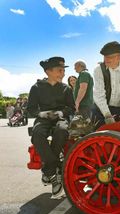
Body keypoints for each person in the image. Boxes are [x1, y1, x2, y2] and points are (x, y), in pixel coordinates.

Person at [27, 56, 75, 198]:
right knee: (37, 133)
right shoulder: (36, 88)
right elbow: (31, 109)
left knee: (62, 131)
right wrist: (42, 113)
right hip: (44, 118)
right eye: (60, 70)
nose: (63, 73)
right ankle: (55, 167)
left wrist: (61, 112)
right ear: (48, 71)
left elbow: (71, 108)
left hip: (61, 117)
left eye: (63, 70)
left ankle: (48, 171)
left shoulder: (66, 88)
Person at [93, 41, 120, 127]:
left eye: (109, 57)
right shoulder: (98, 70)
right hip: (101, 110)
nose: (106, 60)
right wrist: (107, 115)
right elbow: (99, 96)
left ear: (119, 57)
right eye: (105, 57)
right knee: (98, 135)